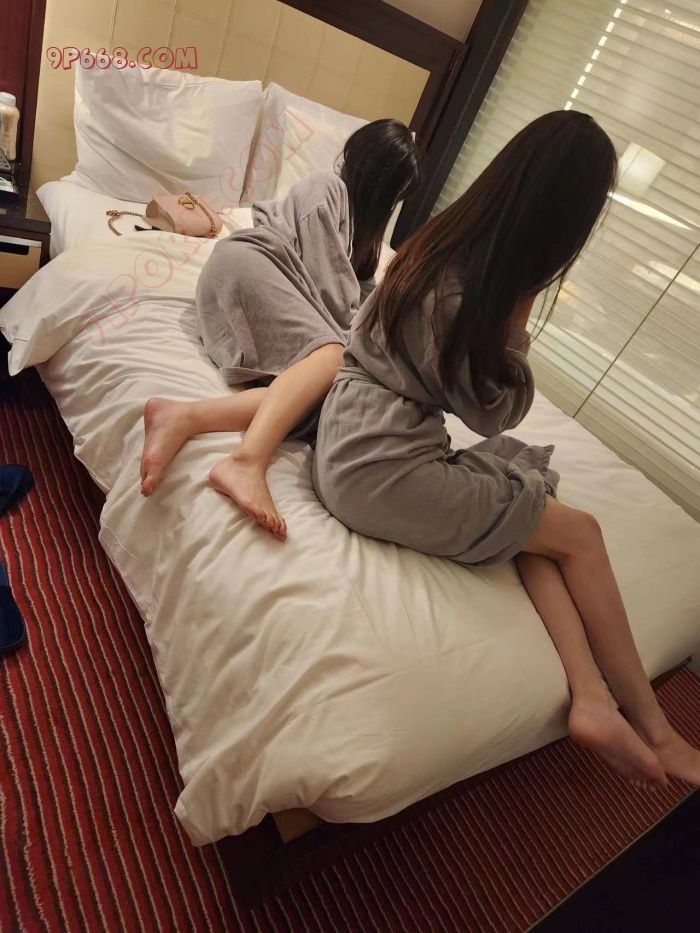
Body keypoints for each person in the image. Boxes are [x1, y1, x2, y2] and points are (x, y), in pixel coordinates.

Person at [311, 111, 700, 790]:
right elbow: (493, 410)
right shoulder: (465, 296)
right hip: (380, 471)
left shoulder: (434, 247)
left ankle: (590, 694)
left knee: (526, 494)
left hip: (350, 441)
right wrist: (519, 314)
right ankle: (658, 730)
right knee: (581, 532)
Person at [139, 119, 422, 540]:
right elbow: (332, 295)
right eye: (395, 194)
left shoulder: (360, 239)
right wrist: (365, 347)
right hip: (251, 264)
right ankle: (246, 462)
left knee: (326, 397)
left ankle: (182, 416)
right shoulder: (326, 188)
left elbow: (356, 304)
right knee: (333, 359)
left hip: (264, 290)